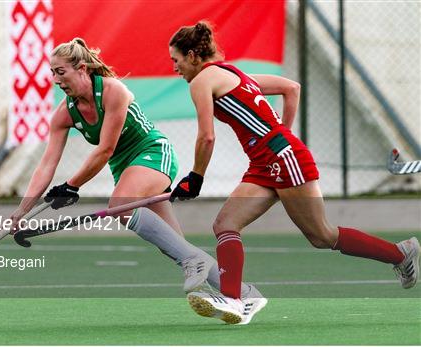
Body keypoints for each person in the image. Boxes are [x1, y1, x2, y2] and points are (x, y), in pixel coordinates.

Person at [168, 21, 420, 325]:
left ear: (193, 54)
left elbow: (206, 137)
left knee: (322, 235)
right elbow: (291, 88)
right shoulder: (235, 73)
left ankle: (400, 253)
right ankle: (237, 301)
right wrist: (281, 134)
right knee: (225, 224)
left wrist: (195, 177)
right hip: (267, 161)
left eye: (176, 60)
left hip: (281, 159)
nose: (175, 68)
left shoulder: (202, 81)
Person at [9, 38, 264, 306]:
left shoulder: (112, 91)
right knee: (176, 246)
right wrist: (21, 211)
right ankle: (244, 295)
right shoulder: (65, 113)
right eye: (52, 73)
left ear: (82, 68)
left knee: (120, 205)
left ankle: (197, 263)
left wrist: (72, 186)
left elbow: (105, 149)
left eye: (61, 72)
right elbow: (46, 165)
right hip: (126, 169)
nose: (56, 80)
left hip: (153, 153)